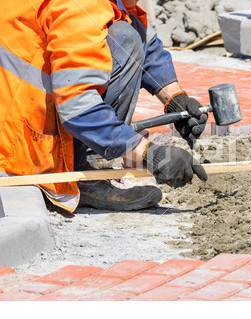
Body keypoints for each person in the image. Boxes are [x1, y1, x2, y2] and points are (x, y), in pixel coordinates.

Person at [0, 0, 208, 213]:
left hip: (25, 115)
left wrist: (175, 99)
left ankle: (89, 162)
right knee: (124, 38)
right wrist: (148, 153)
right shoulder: (79, 6)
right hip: (15, 144)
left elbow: (140, 32)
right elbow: (78, 107)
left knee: (125, 33)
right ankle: (80, 172)